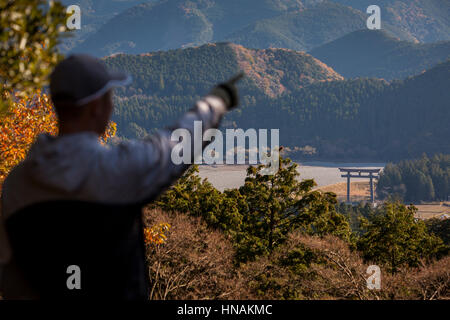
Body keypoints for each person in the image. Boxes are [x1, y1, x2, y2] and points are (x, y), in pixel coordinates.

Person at [0, 54, 242, 300]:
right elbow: (174, 145)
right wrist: (217, 102)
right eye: (109, 98)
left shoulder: (17, 184)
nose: (112, 106)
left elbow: (8, 267)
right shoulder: (114, 170)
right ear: (96, 107)